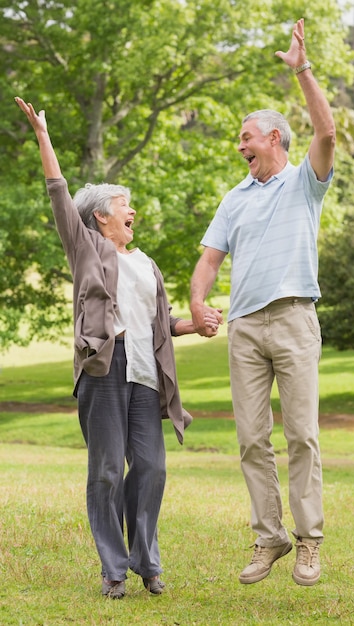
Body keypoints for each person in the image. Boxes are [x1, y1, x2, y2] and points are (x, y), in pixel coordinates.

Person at [15, 96, 220, 599]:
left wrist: (195, 324)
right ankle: (114, 567)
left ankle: (146, 560)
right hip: (106, 368)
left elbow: (157, 322)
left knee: (150, 466)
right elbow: (60, 195)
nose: (133, 211)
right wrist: (44, 138)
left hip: (148, 373)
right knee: (106, 470)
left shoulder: (147, 263)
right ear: (102, 217)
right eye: (125, 204)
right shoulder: (86, 247)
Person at [190, 18, 336, 587]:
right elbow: (208, 259)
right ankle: (269, 535)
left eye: (247, 137)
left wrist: (301, 68)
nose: (240, 146)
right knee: (252, 439)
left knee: (301, 433)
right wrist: (199, 302)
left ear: (273, 138)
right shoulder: (234, 196)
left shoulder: (305, 181)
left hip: (295, 319)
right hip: (246, 327)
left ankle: (308, 541)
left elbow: (326, 133)